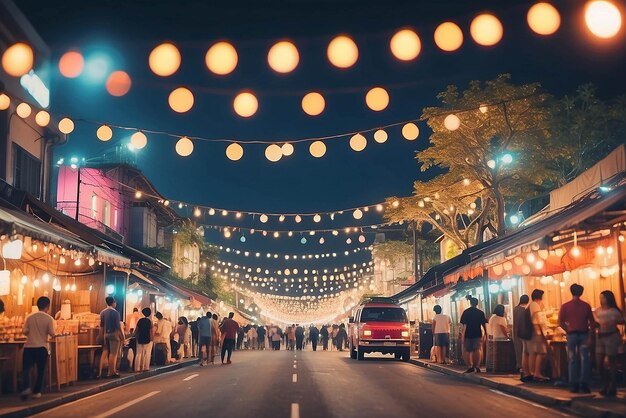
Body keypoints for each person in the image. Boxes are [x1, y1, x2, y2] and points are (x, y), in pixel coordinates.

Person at [559, 284, 595, 393]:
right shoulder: (586, 306)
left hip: (571, 334)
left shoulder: (565, 306)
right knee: (585, 359)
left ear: (571, 292)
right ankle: (584, 383)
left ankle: (573, 383)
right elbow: (592, 322)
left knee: (572, 359)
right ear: (581, 292)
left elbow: (560, 321)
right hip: (584, 333)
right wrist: (590, 336)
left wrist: (567, 329)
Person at [20, 296, 55, 400]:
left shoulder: (29, 317)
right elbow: (52, 333)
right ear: (48, 306)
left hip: (29, 347)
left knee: (26, 369)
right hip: (42, 348)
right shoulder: (49, 318)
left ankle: (26, 388)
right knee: (40, 370)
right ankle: (36, 391)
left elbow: (25, 331)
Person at [594, 290, 624, 397]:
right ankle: (605, 384)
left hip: (612, 336)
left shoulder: (614, 311)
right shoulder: (597, 311)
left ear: (608, 299)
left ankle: (612, 386)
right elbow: (594, 322)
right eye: (600, 297)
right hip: (600, 337)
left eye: (603, 297)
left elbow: (622, 321)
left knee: (611, 362)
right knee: (599, 363)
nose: (601, 300)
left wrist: (612, 322)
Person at [460, 297, 487, 373]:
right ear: (477, 303)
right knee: (477, 350)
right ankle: (477, 366)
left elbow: (463, 325)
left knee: (468, 350)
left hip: (468, 333)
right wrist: (485, 334)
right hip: (477, 333)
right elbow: (483, 324)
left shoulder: (466, 312)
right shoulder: (480, 313)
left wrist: (462, 335)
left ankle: (470, 366)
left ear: (470, 303)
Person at [527, 289, 550, 381]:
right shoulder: (535, 305)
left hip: (532, 332)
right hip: (536, 332)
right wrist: (541, 332)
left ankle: (533, 373)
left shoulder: (531, 305)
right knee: (542, 352)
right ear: (539, 297)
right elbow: (537, 320)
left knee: (534, 353)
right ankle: (537, 373)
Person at [99, 296, 124, 378]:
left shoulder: (102, 312)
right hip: (114, 334)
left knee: (106, 352)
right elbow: (118, 326)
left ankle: (101, 372)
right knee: (113, 353)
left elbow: (102, 325)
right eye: (115, 302)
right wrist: (122, 336)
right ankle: (111, 372)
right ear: (113, 302)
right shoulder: (116, 313)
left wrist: (101, 335)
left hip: (106, 334)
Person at [513, 295, 530, 375]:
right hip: (524, 331)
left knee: (518, 349)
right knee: (524, 349)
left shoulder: (515, 309)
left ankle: (519, 365)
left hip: (516, 331)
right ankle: (523, 367)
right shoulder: (525, 309)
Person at [134, 307, 153, 372]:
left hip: (140, 338)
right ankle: (145, 367)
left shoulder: (140, 321)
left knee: (138, 353)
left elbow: (136, 330)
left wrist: (136, 337)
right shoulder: (150, 321)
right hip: (147, 338)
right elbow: (151, 331)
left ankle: (137, 368)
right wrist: (152, 339)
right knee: (147, 353)